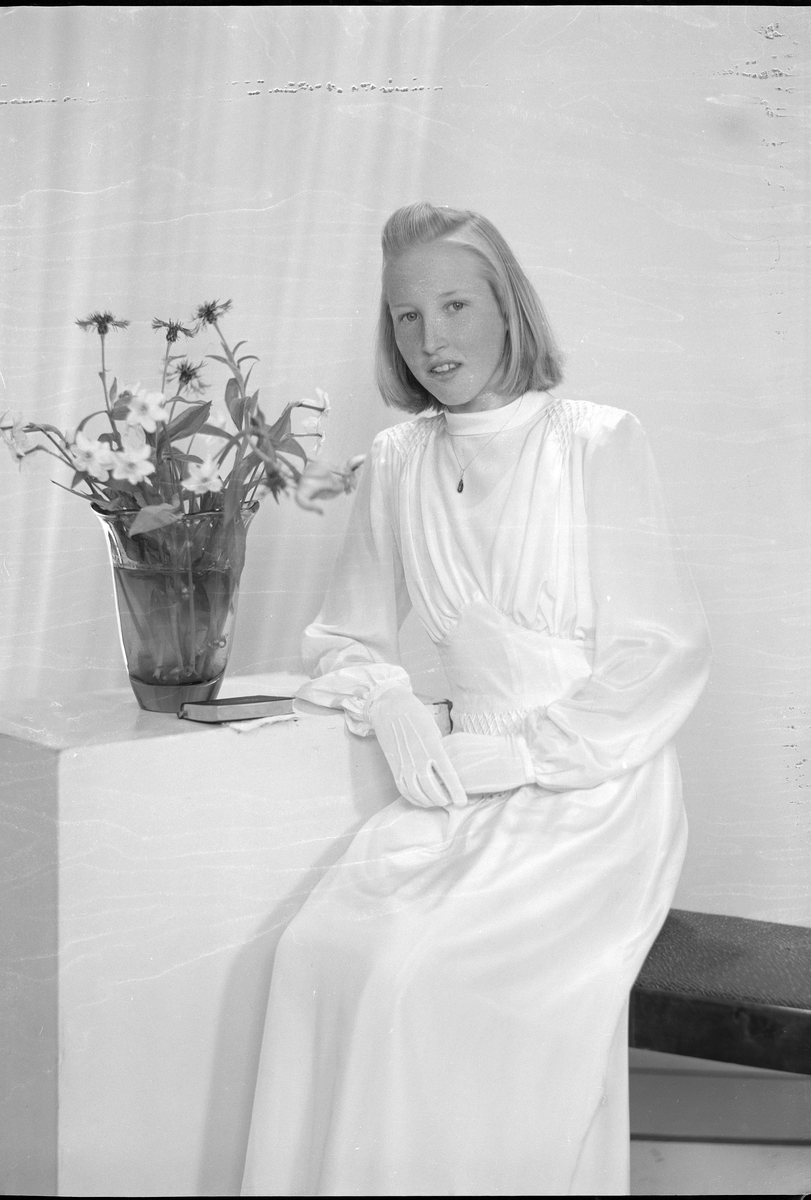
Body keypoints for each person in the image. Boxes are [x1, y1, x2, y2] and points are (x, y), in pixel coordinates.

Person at [240, 202, 711, 1197]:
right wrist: (391, 701)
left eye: (454, 305)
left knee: (419, 979)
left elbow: (661, 651)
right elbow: (344, 635)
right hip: (460, 775)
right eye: (406, 315)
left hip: (593, 789)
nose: (431, 338)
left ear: (507, 307)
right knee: (317, 949)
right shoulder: (398, 460)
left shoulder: (595, 441)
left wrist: (533, 753)